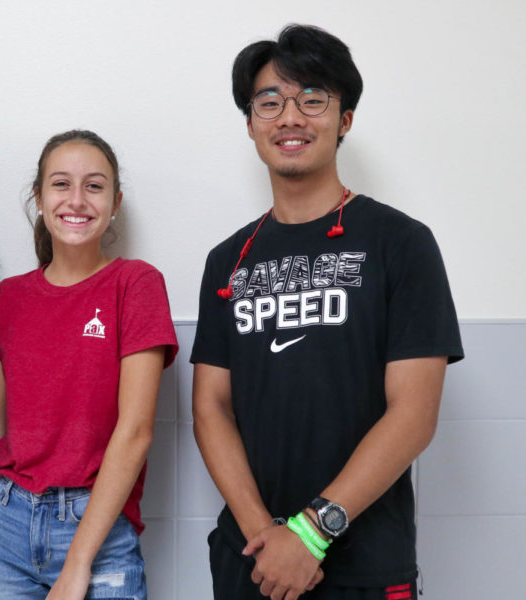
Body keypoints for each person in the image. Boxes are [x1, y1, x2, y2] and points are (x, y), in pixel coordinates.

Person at [191, 25, 464, 600]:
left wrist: (312, 533)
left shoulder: (401, 243)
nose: (290, 117)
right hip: (251, 561)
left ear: (344, 119)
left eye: (313, 98)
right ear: (250, 123)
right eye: (270, 101)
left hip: (363, 564)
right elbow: (211, 407)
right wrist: (266, 536)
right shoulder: (226, 261)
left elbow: (414, 413)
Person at [0, 130, 178, 600]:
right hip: (1, 528)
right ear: (38, 197)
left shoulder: (135, 284)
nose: (77, 200)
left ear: (115, 203)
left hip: (97, 532)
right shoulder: (9, 297)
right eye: (60, 184)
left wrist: (78, 564)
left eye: (94, 186)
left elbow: (135, 432)